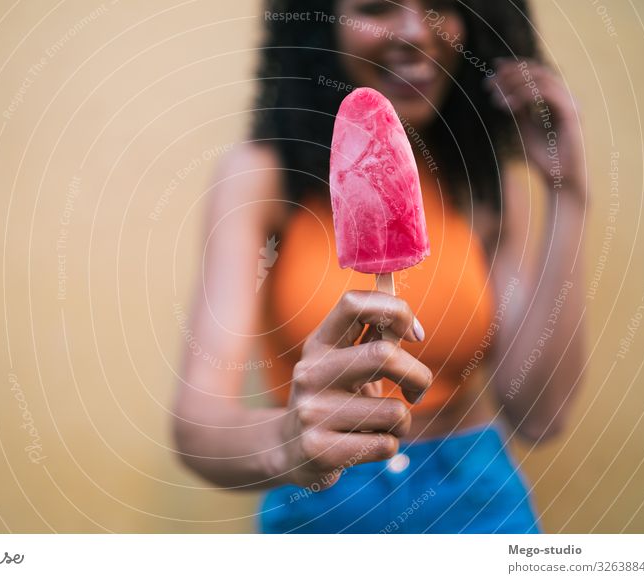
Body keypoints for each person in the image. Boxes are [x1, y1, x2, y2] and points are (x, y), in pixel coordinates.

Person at [172, 0, 588, 533]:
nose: (417, 31)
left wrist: (567, 193)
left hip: (477, 503)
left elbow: (539, 416)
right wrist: (287, 444)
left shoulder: (483, 184)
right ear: (324, 26)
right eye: (377, 6)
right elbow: (199, 428)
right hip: (321, 509)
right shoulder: (261, 179)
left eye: (441, 4)